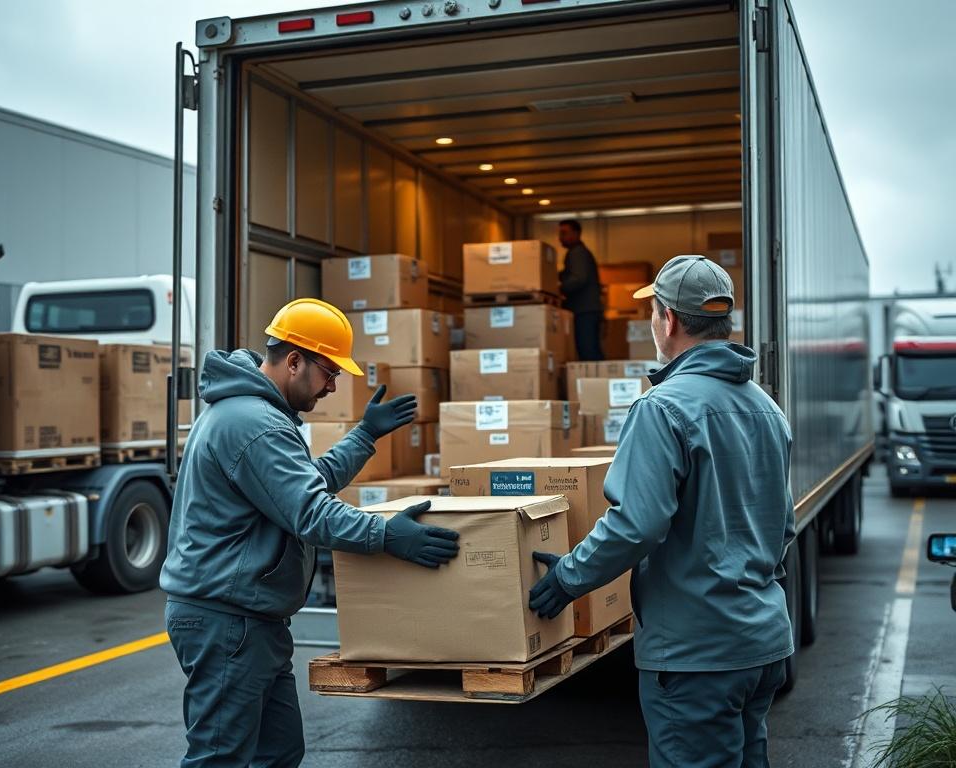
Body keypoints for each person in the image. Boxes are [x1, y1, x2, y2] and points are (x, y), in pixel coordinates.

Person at [160, 298, 460, 768]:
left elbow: (300, 487)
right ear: (294, 360)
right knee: (222, 759)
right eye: (328, 372)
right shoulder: (254, 424)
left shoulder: (254, 416)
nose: (333, 386)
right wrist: (387, 535)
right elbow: (311, 512)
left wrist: (363, 437)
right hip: (228, 621)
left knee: (278, 753)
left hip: (250, 619)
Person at [529, 255, 795, 767]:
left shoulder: (663, 408)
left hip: (696, 655)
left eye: (653, 312)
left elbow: (636, 525)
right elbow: (780, 525)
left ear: (668, 320)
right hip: (761, 644)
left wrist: (567, 579)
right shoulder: (766, 407)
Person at [557, 218, 603, 360]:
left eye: (564, 233)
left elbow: (579, 278)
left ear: (576, 233)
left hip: (584, 310)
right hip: (587, 309)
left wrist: (559, 288)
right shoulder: (579, 252)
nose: (560, 237)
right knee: (590, 349)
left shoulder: (577, 253)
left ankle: (596, 381)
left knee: (588, 351)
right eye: (560, 233)